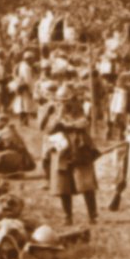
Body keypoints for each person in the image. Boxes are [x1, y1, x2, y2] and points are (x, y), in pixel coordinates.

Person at [47, 95, 100, 226]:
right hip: (62, 153)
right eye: (61, 102)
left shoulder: (80, 113)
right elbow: (49, 130)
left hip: (80, 152)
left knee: (86, 186)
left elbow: (83, 123)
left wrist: (67, 124)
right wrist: (59, 117)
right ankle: (67, 217)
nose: (65, 105)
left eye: (67, 102)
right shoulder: (55, 116)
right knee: (63, 187)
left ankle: (92, 216)